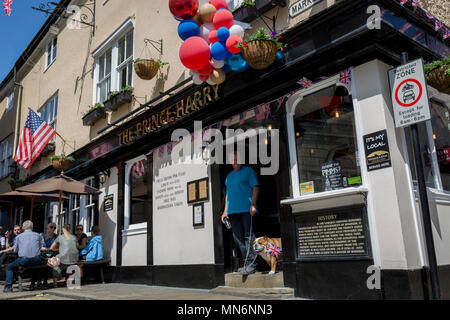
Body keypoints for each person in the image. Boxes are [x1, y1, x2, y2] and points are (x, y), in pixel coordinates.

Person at [221, 150, 260, 275]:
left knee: (249, 237)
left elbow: (256, 188)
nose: (235, 161)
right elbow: (228, 195)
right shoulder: (229, 177)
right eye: (233, 159)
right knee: (238, 239)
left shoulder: (249, 171)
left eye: (237, 158)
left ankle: (252, 264)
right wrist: (225, 211)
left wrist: (253, 204)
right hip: (233, 212)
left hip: (247, 210)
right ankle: (246, 263)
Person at [3, 221, 42, 293]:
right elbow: (39, 247)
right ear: (32, 227)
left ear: (23, 228)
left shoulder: (18, 237)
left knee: (9, 267)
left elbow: (15, 250)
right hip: (37, 260)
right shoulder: (38, 235)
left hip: (24, 260)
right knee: (36, 266)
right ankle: (32, 285)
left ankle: (8, 287)